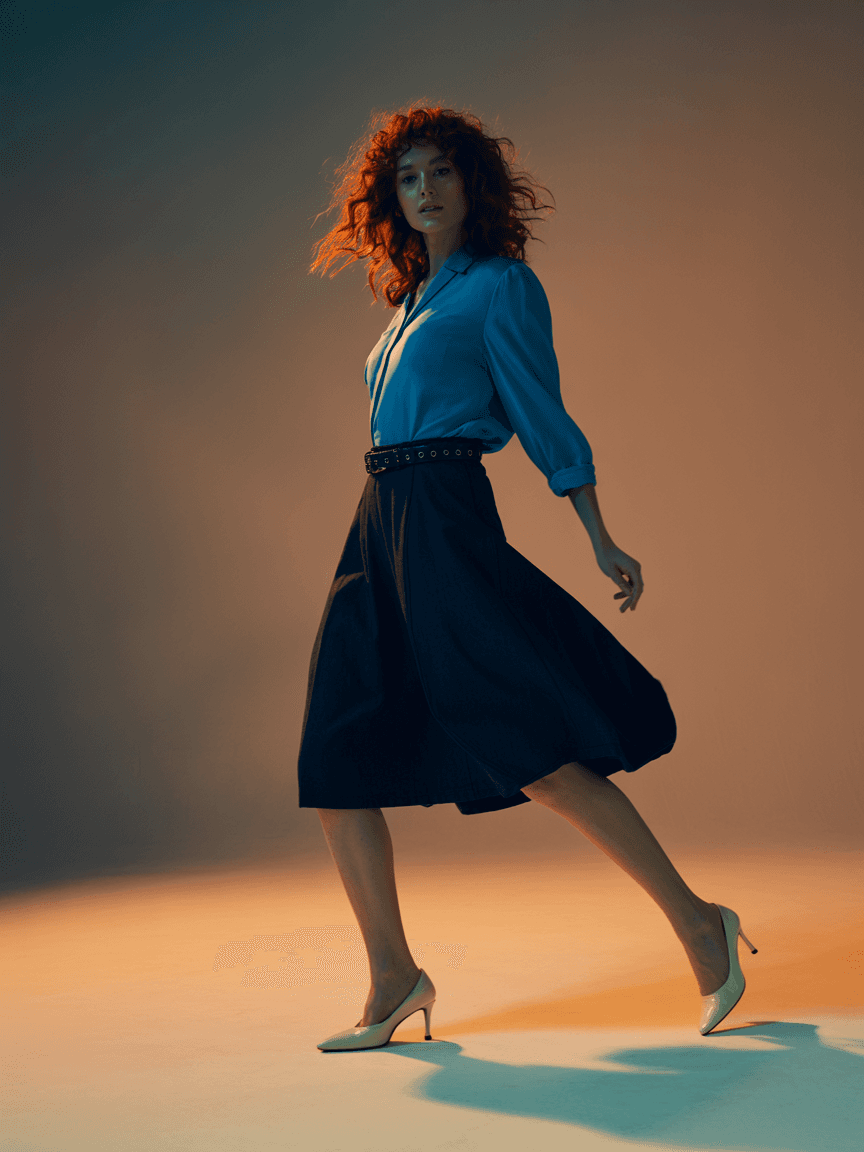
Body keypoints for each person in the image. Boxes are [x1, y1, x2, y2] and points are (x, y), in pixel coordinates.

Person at [301, 105, 757, 1052]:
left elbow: (542, 412)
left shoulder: (501, 288)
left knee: (532, 744)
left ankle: (698, 924)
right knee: (336, 755)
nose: (424, 192)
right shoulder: (406, 309)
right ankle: (394, 976)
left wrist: (596, 531)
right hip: (376, 522)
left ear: (473, 184)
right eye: (409, 179)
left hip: (445, 518)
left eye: (440, 174)